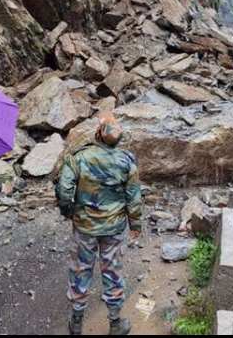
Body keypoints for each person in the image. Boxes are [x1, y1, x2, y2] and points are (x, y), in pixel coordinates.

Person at [57, 113, 143, 335]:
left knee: (80, 270)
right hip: (114, 228)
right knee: (112, 272)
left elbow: (64, 189)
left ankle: (76, 323)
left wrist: (69, 212)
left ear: (98, 134)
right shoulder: (127, 161)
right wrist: (136, 225)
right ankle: (115, 324)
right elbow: (134, 197)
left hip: (84, 226)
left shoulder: (79, 157)